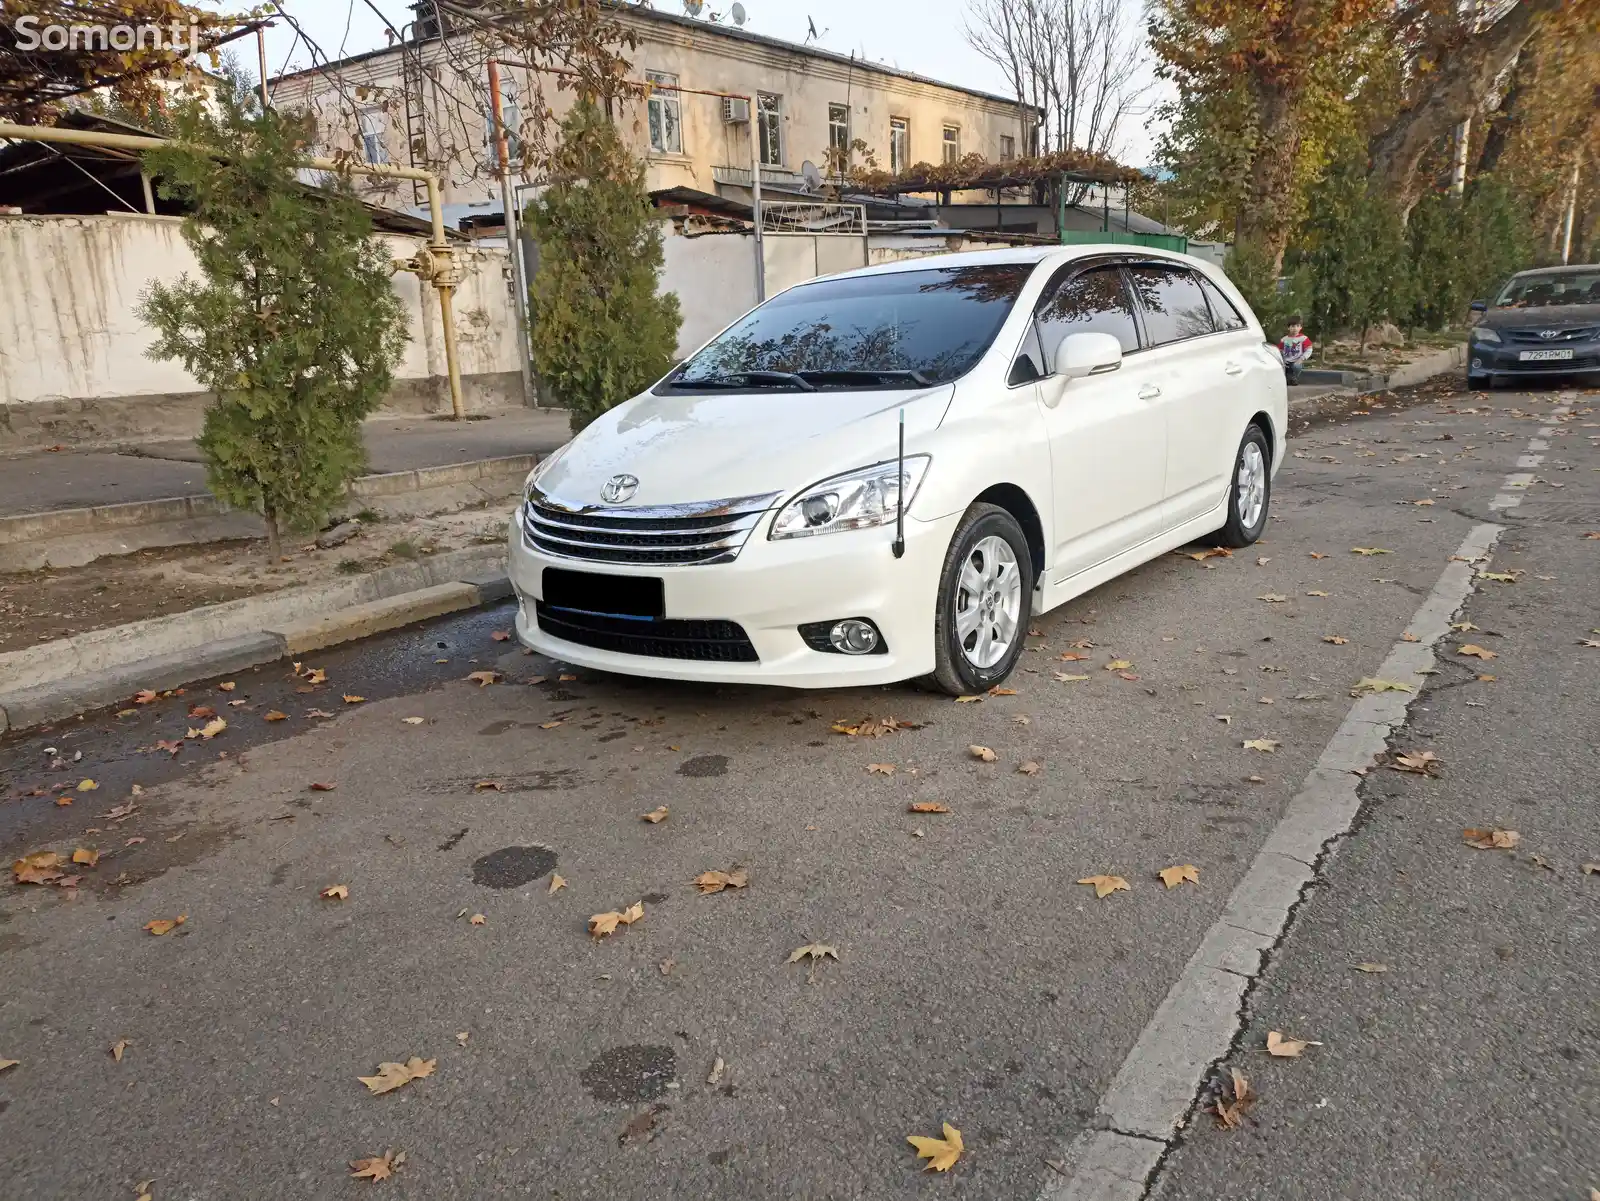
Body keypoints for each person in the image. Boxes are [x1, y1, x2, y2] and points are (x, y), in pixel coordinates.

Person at [1280, 317, 1313, 385]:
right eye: (1292, 326)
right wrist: (1283, 359)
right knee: (1287, 381)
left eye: (1297, 326)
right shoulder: (1284, 339)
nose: (1295, 328)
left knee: (1296, 366)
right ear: (1288, 328)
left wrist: (1302, 358)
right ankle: (1288, 378)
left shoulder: (1303, 338)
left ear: (1300, 327)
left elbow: (1309, 349)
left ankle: (1295, 377)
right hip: (1286, 362)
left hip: (1297, 361)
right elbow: (1281, 351)